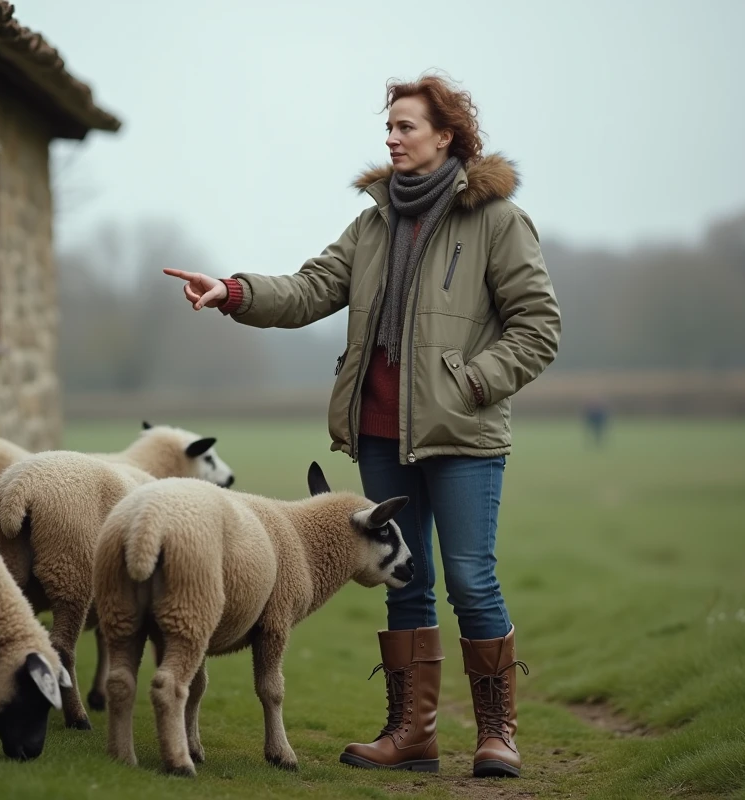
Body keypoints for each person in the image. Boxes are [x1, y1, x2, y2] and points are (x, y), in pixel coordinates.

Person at [163, 73, 561, 779]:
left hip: (464, 436)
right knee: (406, 582)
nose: (392, 138)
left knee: (470, 579)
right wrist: (233, 292)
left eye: (406, 126)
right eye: (389, 127)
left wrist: (470, 381)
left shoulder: (498, 220)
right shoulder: (375, 222)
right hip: (380, 434)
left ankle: (497, 734)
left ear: (446, 135)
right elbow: (311, 287)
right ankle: (412, 734)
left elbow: (539, 328)